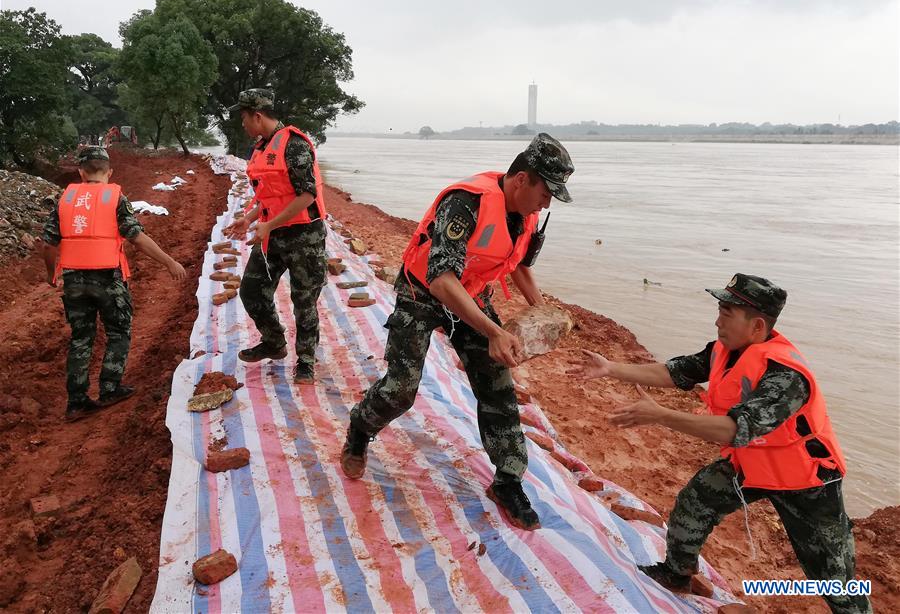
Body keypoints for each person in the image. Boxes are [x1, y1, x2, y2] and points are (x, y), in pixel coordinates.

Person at [569, 273, 871, 613]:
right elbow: (673, 372)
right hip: (754, 464)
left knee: (834, 576)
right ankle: (676, 573)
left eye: (727, 313)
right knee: (695, 502)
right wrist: (611, 368)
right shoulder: (724, 351)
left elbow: (732, 430)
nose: (717, 320)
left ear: (757, 326)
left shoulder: (785, 376)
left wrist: (661, 416)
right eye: (720, 310)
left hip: (807, 480)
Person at [340, 133, 575, 530]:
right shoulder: (466, 203)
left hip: (472, 294)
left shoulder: (528, 213)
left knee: (497, 384)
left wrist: (543, 311)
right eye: (546, 191)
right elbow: (441, 281)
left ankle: (508, 480)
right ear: (522, 179)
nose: (548, 201)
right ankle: (360, 431)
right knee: (401, 389)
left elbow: (519, 265)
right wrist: (494, 331)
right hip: (424, 293)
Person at [42, 146, 186, 422]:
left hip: (73, 279)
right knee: (119, 331)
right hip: (107, 278)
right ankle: (110, 388)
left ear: (81, 172)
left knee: (81, 338)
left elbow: (48, 245)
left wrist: (52, 275)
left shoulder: (66, 199)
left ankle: (76, 402)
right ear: (109, 171)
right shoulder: (115, 197)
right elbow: (137, 237)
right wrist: (169, 262)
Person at [222, 88, 327, 384]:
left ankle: (305, 360)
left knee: (304, 300)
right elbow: (271, 195)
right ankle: (274, 342)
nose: (242, 124)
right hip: (272, 233)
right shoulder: (260, 147)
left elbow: (307, 194)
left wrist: (269, 225)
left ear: (257, 116)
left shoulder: (294, 145)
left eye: (244, 117)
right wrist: (249, 218)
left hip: (304, 236)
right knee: (252, 291)